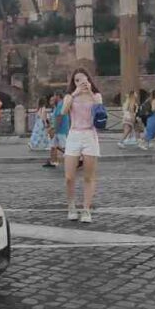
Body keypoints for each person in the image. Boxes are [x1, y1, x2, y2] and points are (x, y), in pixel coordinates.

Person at [61, 68, 103, 223]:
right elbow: (64, 111)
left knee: (89, 176)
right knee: (69, 177)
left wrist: (91, 93)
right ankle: (71, 206)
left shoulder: (96, 96)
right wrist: (74, 94)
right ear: (73, 82)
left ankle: (86, 209)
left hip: (90, 135)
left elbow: (100, 110)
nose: (80, 83)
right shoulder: (69, 96)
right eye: (76, 80)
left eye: (83, 80)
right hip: (74, 135)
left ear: (89, 80)